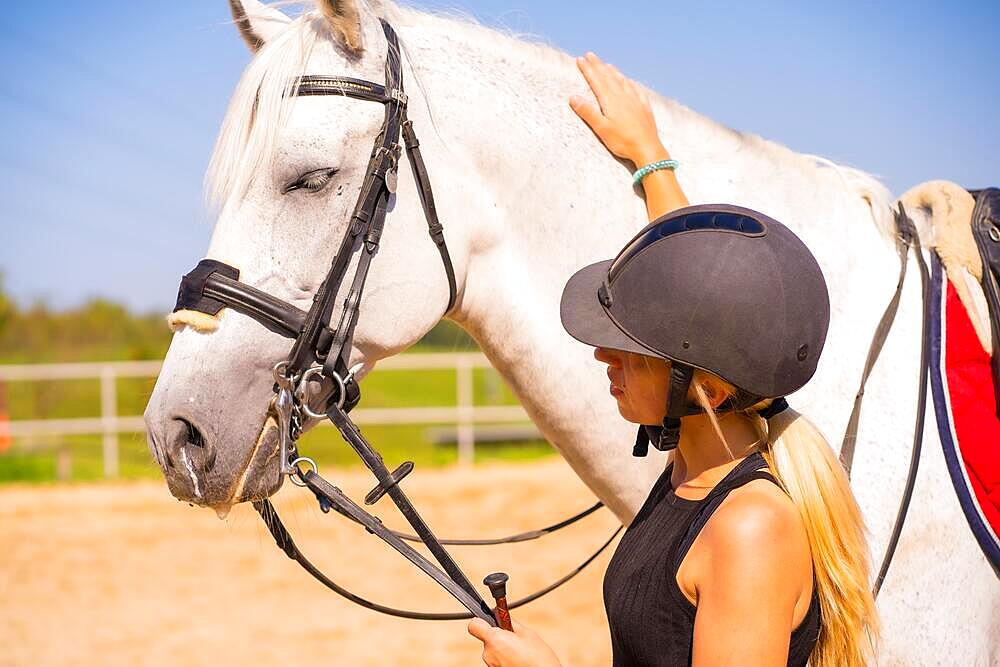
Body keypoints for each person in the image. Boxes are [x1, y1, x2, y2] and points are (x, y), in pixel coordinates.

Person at [467, 53, 878, 667]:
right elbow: (700, 292)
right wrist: (650, 159)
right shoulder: (697, 468)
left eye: (635, 351)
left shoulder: (749, 531)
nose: (606, 353)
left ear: (708, 391)